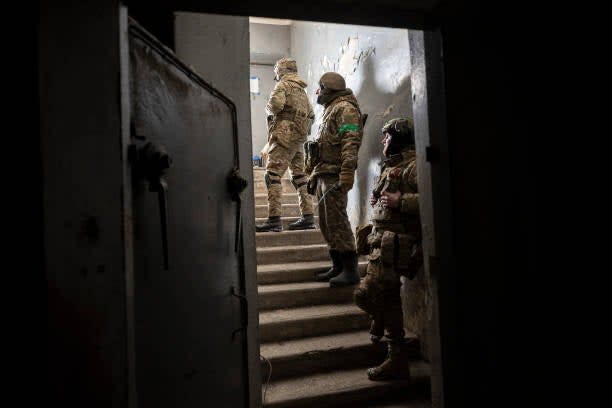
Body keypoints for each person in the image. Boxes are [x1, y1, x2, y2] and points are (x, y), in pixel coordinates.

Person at [353, 117, 423, 381]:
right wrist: (379, 199)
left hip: (396, 247)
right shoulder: (391, 167)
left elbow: (431, 198)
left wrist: (401, 200)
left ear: (398, 138)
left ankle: (397, 358)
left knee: (378, 297)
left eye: (386, 136)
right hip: (380, 245)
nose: (383, 141)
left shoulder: (413, 166)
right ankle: (381, 323)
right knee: (370, 297)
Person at [306, 72, 363, 287]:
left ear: (328, 89)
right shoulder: (331, 109)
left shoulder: (346, 109)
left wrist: (346, 173)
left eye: (319, 88)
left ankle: (351, 271)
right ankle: (338, 266)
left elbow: (350, 143)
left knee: (337, 222)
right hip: (324, 173)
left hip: (335, 175)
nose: (317, 92)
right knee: (326, 223)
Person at [256, 58, 316, 232]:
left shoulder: (283, 85)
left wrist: (269, 111)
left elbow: (275, 105)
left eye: (276, 71)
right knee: (299, 177)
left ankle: (274, 220)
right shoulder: (301, 90)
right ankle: (308, 217)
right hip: (299, 138)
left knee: (272, 175)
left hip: (284, 136)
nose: (276, 74)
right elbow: (311, 115)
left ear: (281, 70)